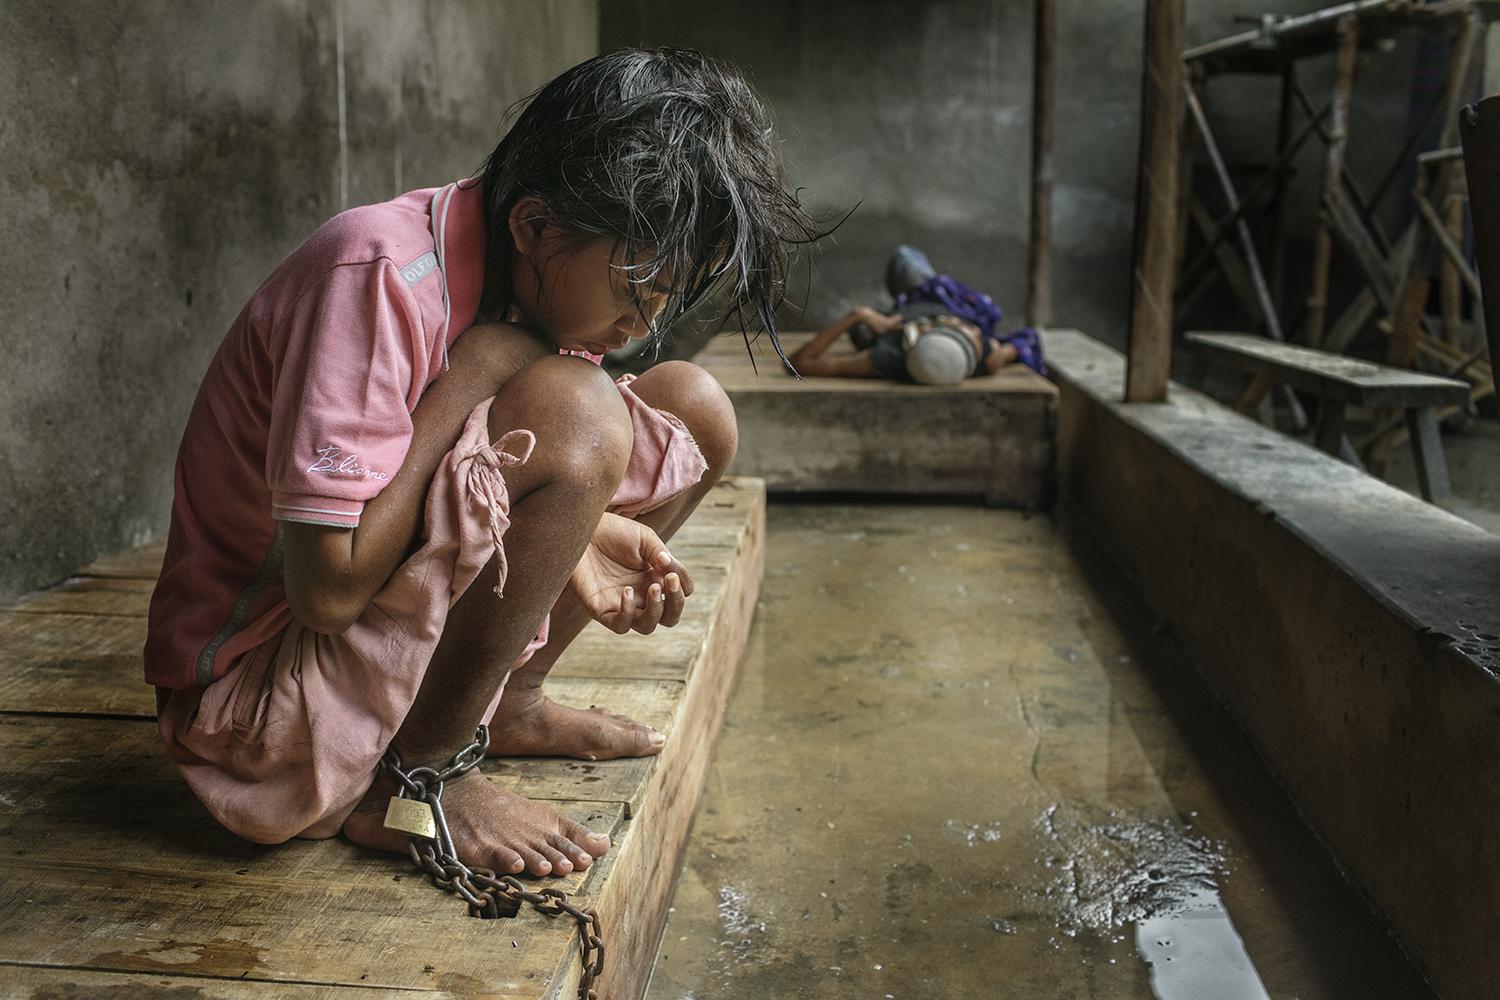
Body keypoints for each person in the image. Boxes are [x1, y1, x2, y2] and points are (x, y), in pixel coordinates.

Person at [144, 48, 818, 882]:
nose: (642, 326)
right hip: (259, 712)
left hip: (353, 658)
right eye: (637, 288)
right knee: (581, 408)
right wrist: (481, 366)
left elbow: (487, 468)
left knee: (693, 408)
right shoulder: (380, 275)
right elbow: (325, 593)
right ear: (533, 225)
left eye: (668, 296)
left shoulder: (532, 269)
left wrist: (580, 522)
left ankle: (509, 703)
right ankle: (420, 778)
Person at [789, 244, 1045, 384]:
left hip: (906, 306)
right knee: (909, 260)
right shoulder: (986, 356)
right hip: (932, 296)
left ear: (931, 331)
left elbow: (800, 363)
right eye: (973, 333)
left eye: (964, 328)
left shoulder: (889, 356)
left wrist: (860, 314)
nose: (977, 329)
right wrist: (1005, 351)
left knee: (903, 258)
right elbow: (1024, 341)